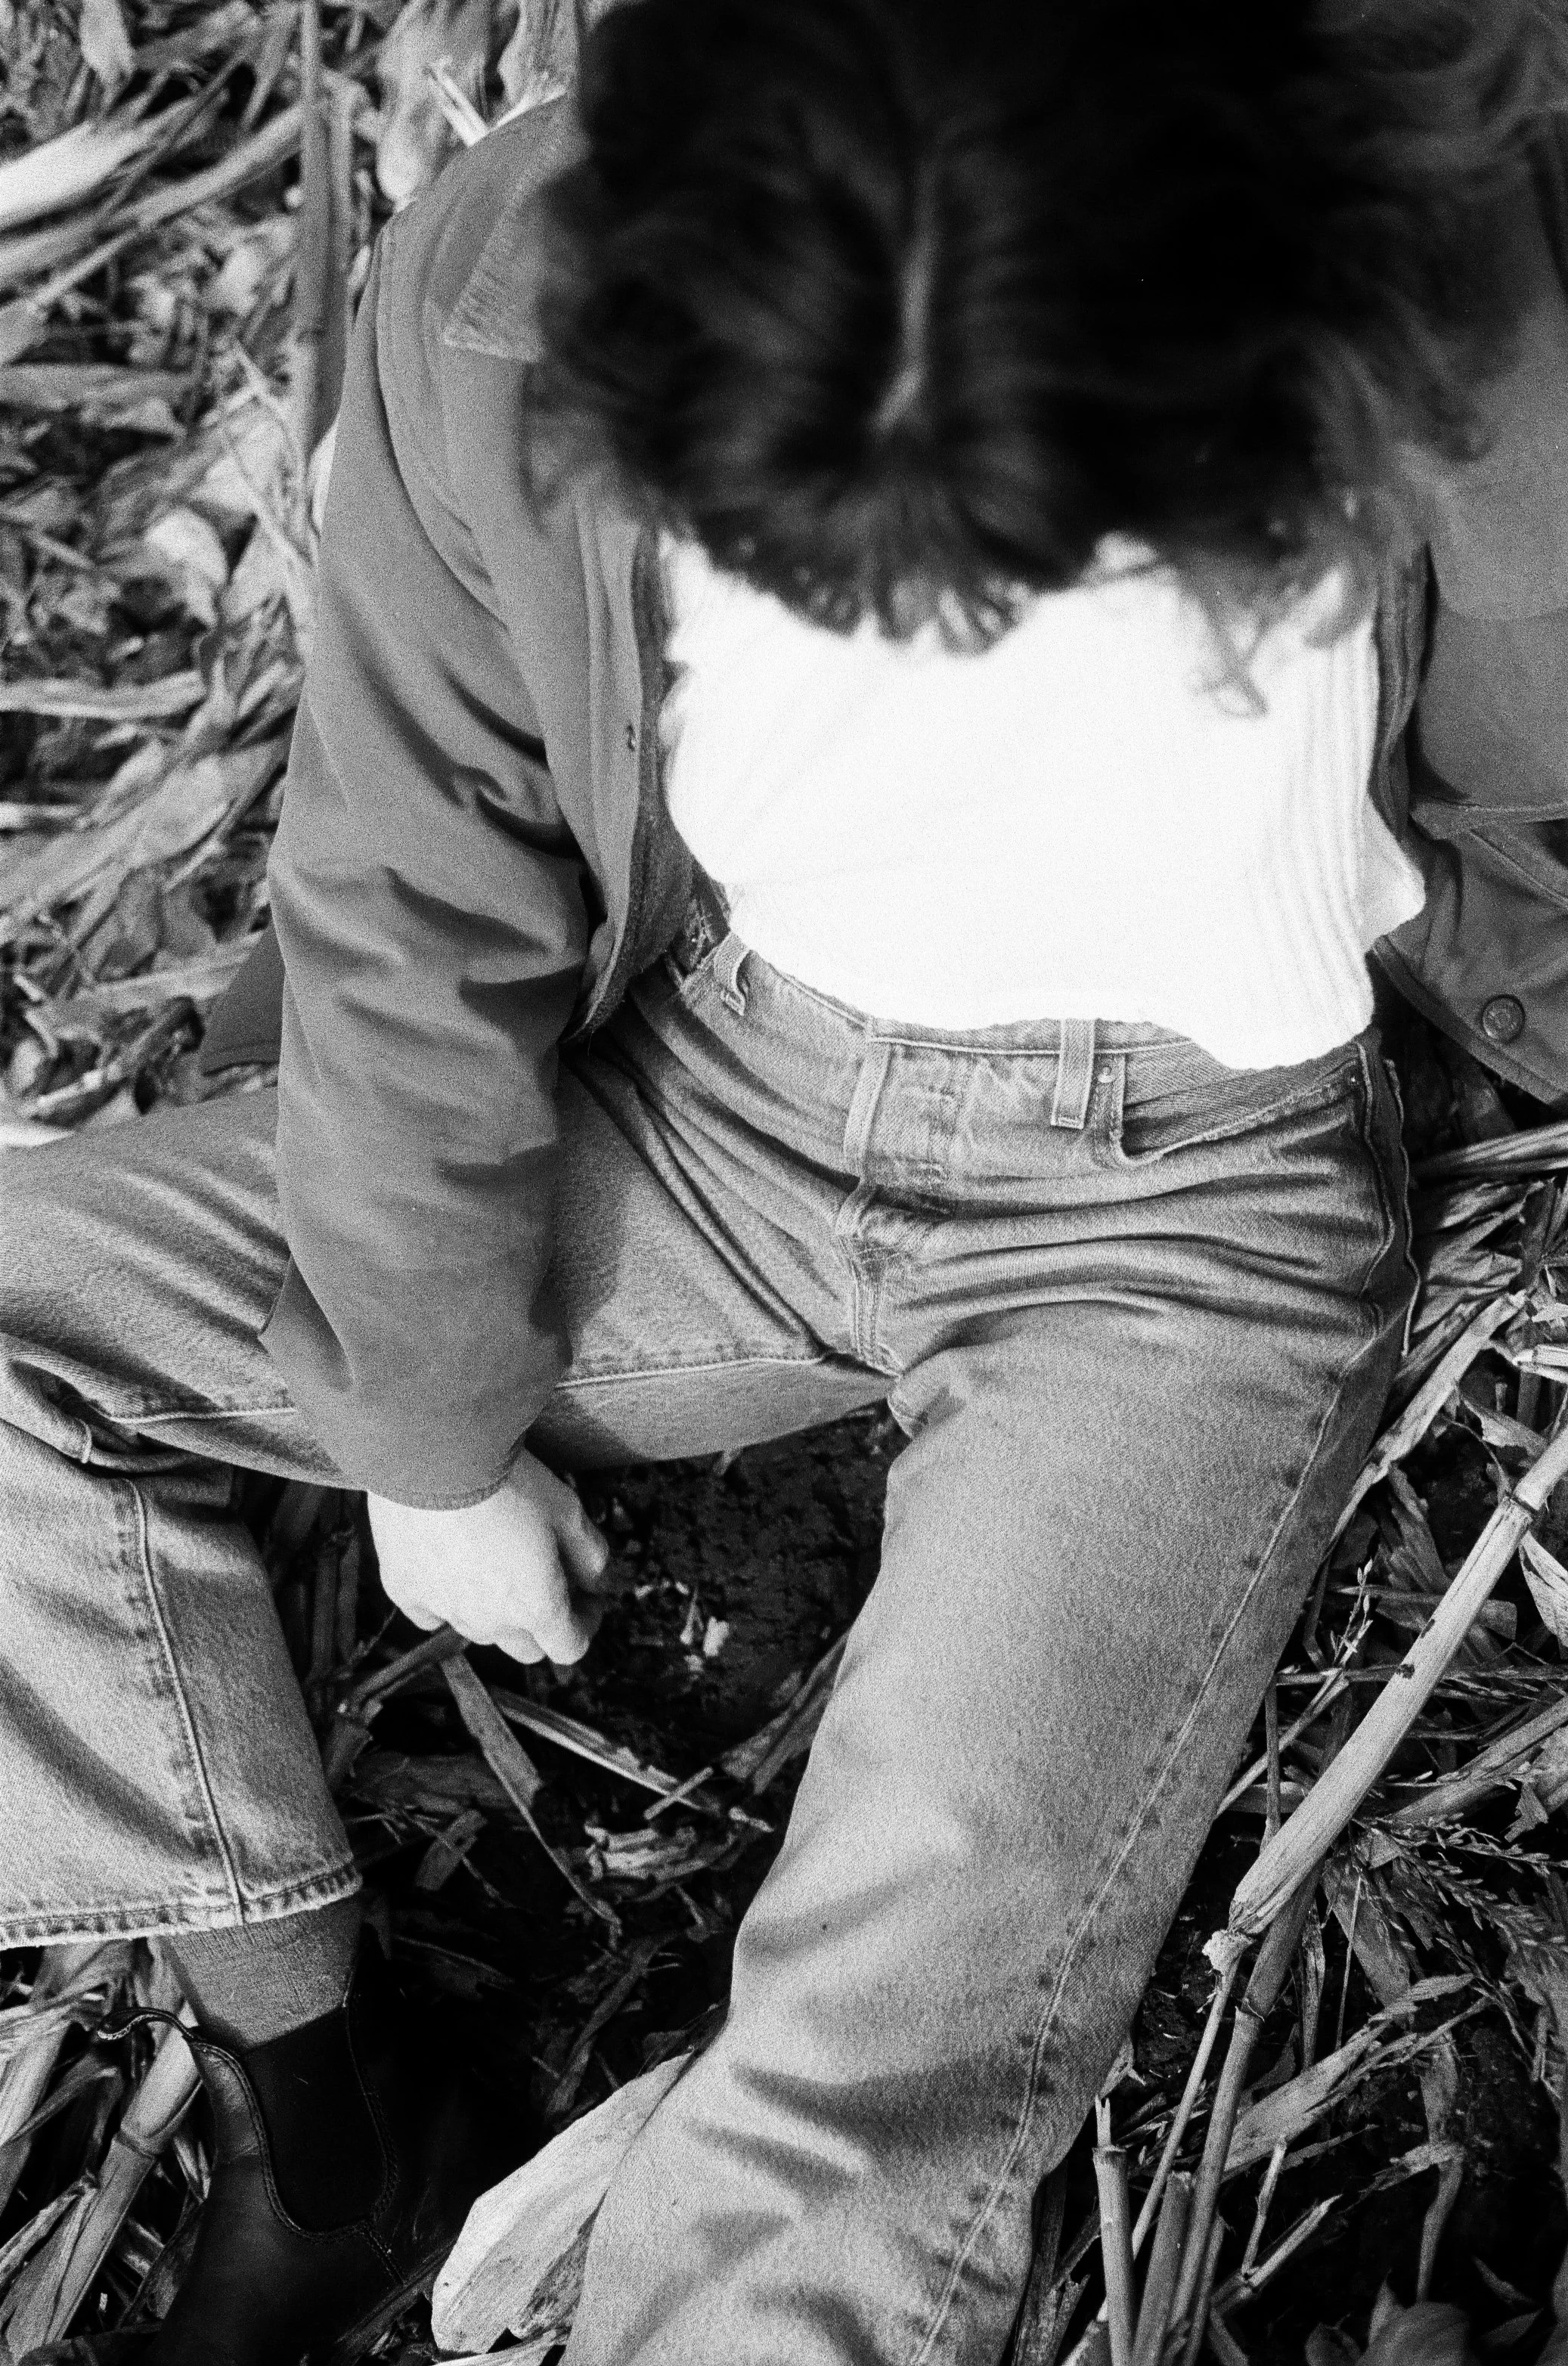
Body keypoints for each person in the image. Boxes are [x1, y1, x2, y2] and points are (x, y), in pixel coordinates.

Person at [5, 0, 1568, 2360]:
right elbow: (415, 893)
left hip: (1182, 1220)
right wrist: (430, 1440)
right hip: (718, 1094)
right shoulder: (526, 277)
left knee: (862, 2081)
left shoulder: (1472, 268)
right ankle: (326, 2119)